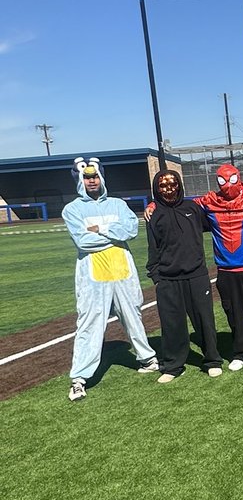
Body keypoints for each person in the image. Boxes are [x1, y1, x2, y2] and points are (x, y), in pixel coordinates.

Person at [63, 156, 158, 401]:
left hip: (123, 273)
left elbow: (131, 230)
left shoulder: (117, 204)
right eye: (86, 177)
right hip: (93, 278)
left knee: (133, 316)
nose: (91, 181)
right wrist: (114, 235)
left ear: (102, 178)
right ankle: (79, 379)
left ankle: (147, 359)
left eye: (94, 176)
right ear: (79, 180)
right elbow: (83, 241)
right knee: (89, 324)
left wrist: (101, 230)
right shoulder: (72, 210)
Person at [192, 163, 243, 371]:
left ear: (238, 178)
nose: (227, 185)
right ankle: (241, 352)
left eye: (231, 179)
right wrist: (154, 205)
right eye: (222, 180)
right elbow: (181, 207)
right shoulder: (210, 201)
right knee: (234, 314)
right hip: (227, 271)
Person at [145, 168, 223, 383]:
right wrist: (156, 276)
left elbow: (214, 222)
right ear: (156, 189)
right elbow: (153, 247)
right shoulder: (153, 214)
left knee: (204, 320)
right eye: (162, 186)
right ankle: (173, 365)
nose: (168, 189)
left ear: (179, 185)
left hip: (196, 275)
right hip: (168, 279)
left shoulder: (193, 208)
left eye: (172, 184)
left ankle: (212, 361)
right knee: (172, 324)